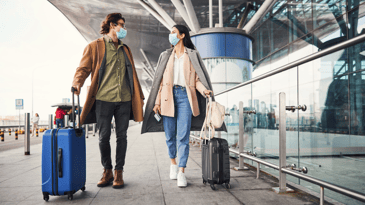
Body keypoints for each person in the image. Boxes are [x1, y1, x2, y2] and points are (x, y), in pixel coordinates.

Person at [141, 25, 226, 188]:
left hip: (185, 98)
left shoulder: (192, 55)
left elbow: (196, 80)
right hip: (167, 97)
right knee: (169, 136)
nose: (170, 35)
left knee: (183, 137)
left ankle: (181, 172)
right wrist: (157, 102)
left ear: (182, 35)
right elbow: (160, 82)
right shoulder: (166, 55)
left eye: (173, 32)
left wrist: (204, 90)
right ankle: (173, 163)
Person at [71, 13, 144, 189]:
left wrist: (139, 96)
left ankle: (119, 172)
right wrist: (76, 83)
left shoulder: (126, 49)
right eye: (121, 25)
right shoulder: (95, 46)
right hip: (103, 99)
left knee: (122, 137)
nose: (123, 29)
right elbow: (83, 68)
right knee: (103, 137)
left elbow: (132, 74)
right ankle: (107, 170)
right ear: (112, 25)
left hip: (124, 99)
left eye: (124, 26)